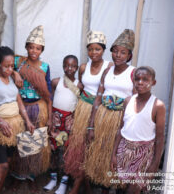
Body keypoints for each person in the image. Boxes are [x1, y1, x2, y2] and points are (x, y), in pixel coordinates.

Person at [84, 29, 137, 192]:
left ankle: (111, 186)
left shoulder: (133, 73)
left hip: (120, 121)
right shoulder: (107, 71)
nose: (118, 55)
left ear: (129, 55)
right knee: (101, 153)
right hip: (102, 118)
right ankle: (101, 186)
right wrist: (91, 125)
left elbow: (136, 102)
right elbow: (97, 99)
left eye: (123, 53)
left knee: (113, 155)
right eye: (115, 52)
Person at [63, 31, 112, 194]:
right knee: (80, 145)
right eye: (90, 49)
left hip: (99, 110)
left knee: (95, 146)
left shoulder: (109, 66)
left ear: (103, 50)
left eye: (97, 49)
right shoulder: (84, 67)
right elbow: (80, 87)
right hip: (83, 107)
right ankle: (79, 183)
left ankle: (92, 183)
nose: (93, 53)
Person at [0, 46, 35, 194]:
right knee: (1, 165)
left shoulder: (12, 77)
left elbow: (19, 102)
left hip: (14, 126)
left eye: (12, 66)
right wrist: (0, 121)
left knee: (8, 163)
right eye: (6, 66)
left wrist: (28, 121)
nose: (9, 69)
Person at [111, 66, 166, 193]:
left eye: (145, 79)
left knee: (133, 190)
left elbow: (160, 138)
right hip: (124, 150)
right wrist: (113, 154)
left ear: (153, 82)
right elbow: (121, 128)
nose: (140, 82)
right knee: (121, 188)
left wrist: (154, 165)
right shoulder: (128, 101)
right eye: (137, 79)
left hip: (144, 153)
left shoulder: (158, 106)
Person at [12, 25, 52, 191]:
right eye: (31, 47)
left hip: (37, 107)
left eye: (37, 48)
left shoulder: (44, 67)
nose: (34, 51)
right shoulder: (17, 62)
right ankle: (17, 175)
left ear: (41, 50)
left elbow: (48, 93)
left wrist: (50, 117)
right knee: (17, 142)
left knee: (33, 143)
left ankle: (31, 175)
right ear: (26, 47)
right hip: (19, 107)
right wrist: (14, 73)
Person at [43, 55, 82, 194]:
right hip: (55, 119)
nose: (69, 68)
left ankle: (64, 182)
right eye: (66, 65)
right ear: (62, 66)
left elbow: (79, 105)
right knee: (53, 150)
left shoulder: (79, 85)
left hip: (69, 121)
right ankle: (53, 178)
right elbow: (51, 100)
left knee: (66, 152)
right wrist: (50, 119)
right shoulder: (56, 82)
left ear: (77, 67)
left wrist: (75, 122)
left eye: (72, 66)